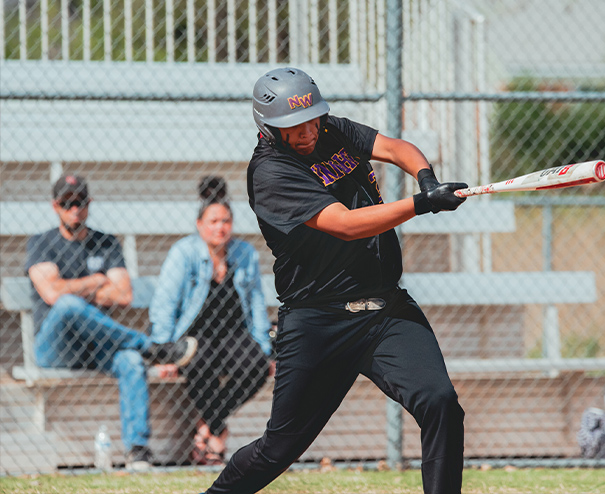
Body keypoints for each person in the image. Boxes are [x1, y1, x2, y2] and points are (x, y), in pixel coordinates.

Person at [201, 67, 469, 494]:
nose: (308, 132)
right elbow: (345, 225)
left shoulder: (332, 130)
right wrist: (421, 204)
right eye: (294, 126)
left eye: (312, 119)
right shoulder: (270, 172)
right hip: (318, 321)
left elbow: (395, 147)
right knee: (279, 449)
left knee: (440, 403)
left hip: (385, 310)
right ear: (268, 127)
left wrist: (426, 178)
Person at [25, 174, 198, 471]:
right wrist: (95, 281)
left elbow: (124, 294)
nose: (74, 209)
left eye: (79, 202)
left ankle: (138, 451)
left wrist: (74, 286)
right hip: (55, 349)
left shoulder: (105, 243)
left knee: (131, 360)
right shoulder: (42, 243)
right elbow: (53, 294)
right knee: (68, 305)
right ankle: (152, 347)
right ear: (55, 206)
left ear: (89, 203)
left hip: (98, 345)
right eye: (66, 203)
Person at [149, 176, 273, 465]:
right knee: (200, 360)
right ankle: (216, 437)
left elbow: (255, 303)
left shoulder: (244, 254)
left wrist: (265, 348)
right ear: (200, 224)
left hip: (232, 333)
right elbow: (164, 304)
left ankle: (208, 424)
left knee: (255, 366)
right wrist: (163, 351)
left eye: (226, 221)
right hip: (193, 335)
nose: (220, 227)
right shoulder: (184, 253)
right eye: (214, 221)